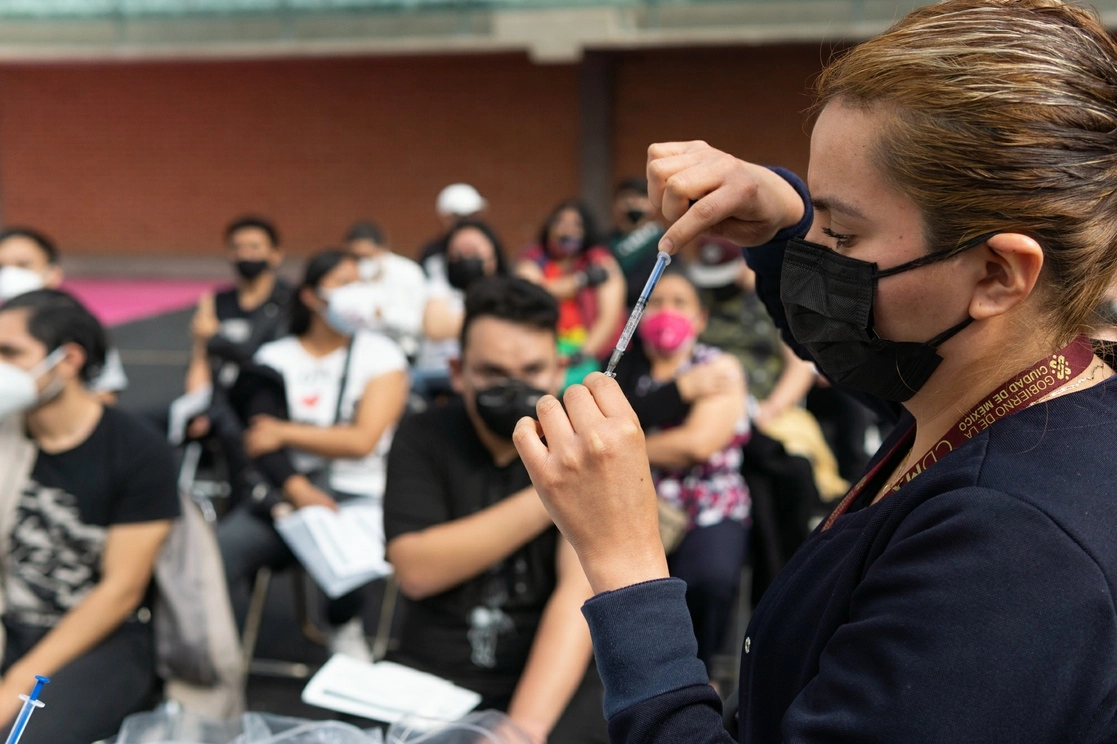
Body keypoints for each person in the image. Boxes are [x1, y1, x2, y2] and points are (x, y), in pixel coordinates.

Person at [513, 1, 1117, 741]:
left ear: (996, 274)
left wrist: (626, 567)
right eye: (813, 214)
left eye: (841, 230)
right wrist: (780, 218)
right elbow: (865, 356)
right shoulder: (1017, 395)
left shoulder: (1010, 551)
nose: (815, 248)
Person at [383, 276, 607, 744]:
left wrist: (523, 728)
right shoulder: (423, 435)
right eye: (491, 372)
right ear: (457, 371)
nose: (512, 387)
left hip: (552, 679)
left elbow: (580, 592)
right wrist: (554, 491)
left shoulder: (583, 443)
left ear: (558, 369)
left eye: (530, 369)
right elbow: (417, 569)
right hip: (432, 674)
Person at [0, 290, 179, 744]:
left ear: (68, 359)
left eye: (9, 353)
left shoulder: (138, 450)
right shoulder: (5, 436)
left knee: (20, 737)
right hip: (9, 620)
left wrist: (19, 683)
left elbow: (121, 592)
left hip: (98, 640)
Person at [216, 249, 410, 660]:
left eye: (360, 283)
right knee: (219, 555)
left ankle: (344, 627)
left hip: (359, 499)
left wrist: (285, 431)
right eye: (343, 283)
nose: (355, 293)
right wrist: (298, 488)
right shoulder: (274, 358)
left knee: (352, 559)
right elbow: (258, 442)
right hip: (288, 498)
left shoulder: (382, 355)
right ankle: (211, 652)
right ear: (311, 296)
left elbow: (362, 441)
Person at [611, 266, 750, 679]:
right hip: (633, 502)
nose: (666, 311)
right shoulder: (620, 373)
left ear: (700, 318)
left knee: (708, 579)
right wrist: (685, 391)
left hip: (710, 504)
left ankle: (698, 674)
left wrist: (626, 448)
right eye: (655, 303)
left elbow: (697, 444)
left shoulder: (720, 366)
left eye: (679, 303)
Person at [0, 227, 129, 403]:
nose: (10, 274)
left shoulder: (79, 324)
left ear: (53, 273)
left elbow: (106, 391)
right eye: (1, 267)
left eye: (23, 265)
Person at [516, 201, 625, 388]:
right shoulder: (533, 258)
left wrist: (581, 354)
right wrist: (582, 280)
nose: (567, 230)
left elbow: (609, 317)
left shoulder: (600, 260)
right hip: (540, 351)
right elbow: (532, 291)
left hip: (587, 354)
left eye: (576, 225)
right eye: (560, 222)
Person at [416, 219, 508, 400]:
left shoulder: (509, 288)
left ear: (492, 255)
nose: (466, 258)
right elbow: (435, 327)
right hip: (436, 377)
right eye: (458, 253)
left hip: (490, 376)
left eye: (473, 251)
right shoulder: (439, 288)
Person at [340, 220, 427, 360]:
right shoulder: (346, 277)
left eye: (367, 256)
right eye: (356, 257)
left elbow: (420, 323)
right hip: (359, 355)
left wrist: (383, 315)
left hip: (402, 353)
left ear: (383, 249)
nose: (361, 262)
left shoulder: (408, 272)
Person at [606, 177, 667, 308]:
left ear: (652, 205)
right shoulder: (605, 243)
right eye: (626, 198)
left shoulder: (665, 241)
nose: (632, 203)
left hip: (651, 309)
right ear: (615, 205)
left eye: (640, 197)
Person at [418, 183, 489, 264]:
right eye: (462, 219)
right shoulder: (433, 254)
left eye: (473, 216)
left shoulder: (490, 245)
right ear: (445, 218)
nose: (468, 224)